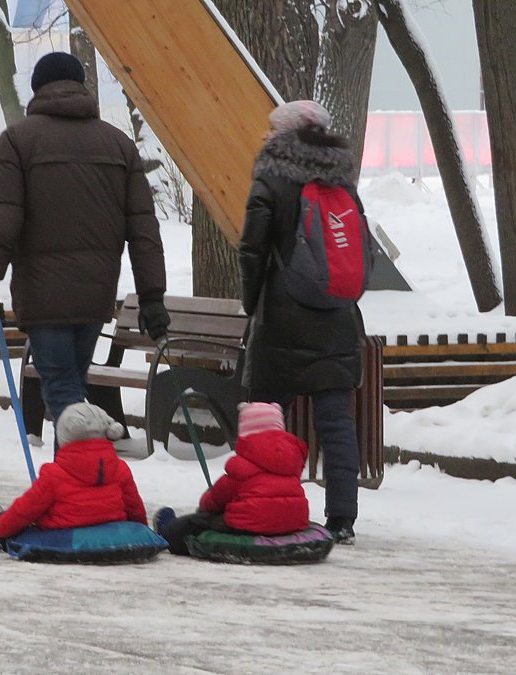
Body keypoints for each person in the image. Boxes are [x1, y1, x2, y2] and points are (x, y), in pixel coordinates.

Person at [0, 52, 170, 441]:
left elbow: (2, 216)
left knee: (63, 392)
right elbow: (143, 229)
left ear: (37, 90)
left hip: (44, 295)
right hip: (94, 295)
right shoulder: (119, 145)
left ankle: (82, 489)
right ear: (81, 86)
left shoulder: (18, 140)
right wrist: (153, 296)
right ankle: (78, 488)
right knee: (71, 389)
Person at [236, 100, 369, 545]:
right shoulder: (342, 183)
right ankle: (343, 518)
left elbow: (252, 250)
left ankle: (267, 504)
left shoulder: (271, 179)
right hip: (337, 317)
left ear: (285, 136)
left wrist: (252, 302)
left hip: (283, 318)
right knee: (336, 422)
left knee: (266, 417)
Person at [152, 402, 309, 556]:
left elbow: (216, 499)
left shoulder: (242, 465)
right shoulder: (292, 461)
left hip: (248, 524)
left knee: (192, 524)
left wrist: (206, 503)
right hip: (291, 522)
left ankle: (167, 532)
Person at [0, 402, 148, 551]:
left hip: (65, 535)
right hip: (111, 528)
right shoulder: (120, 469)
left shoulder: (54, 475)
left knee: (18, 524)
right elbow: (134, 507)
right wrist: (138, 533)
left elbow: (25, 510)